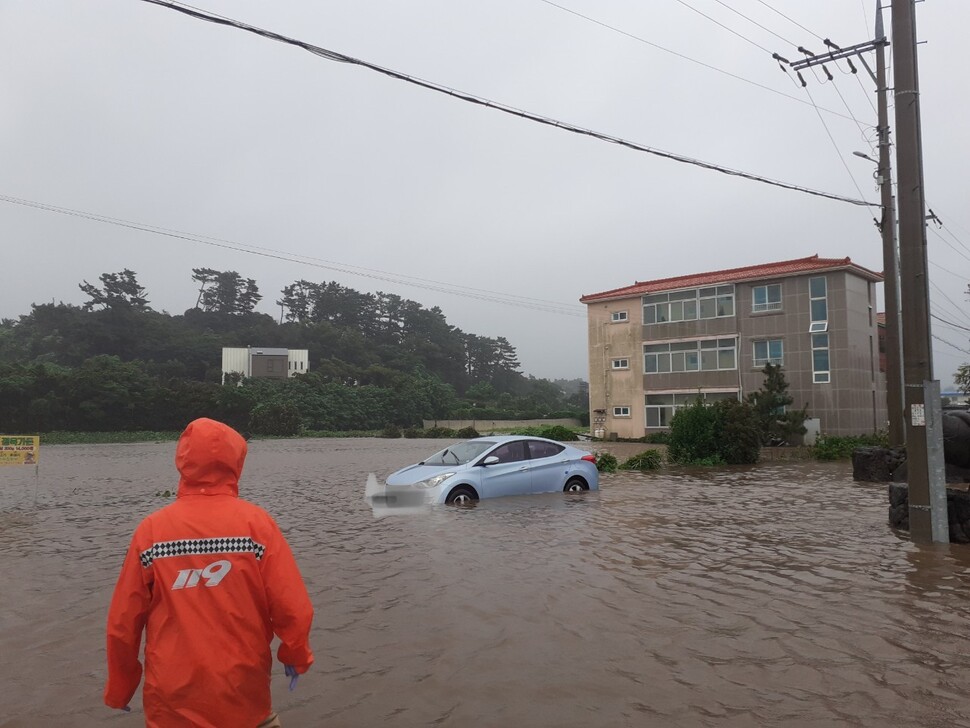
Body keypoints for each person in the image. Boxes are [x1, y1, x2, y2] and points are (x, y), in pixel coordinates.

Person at [103, 417, 314, 727]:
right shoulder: (257, 526)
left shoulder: (151, 531)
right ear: (236, 460)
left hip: (171, 700)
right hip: (242, 694)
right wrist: (296, 656)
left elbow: (123, 624)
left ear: (183, 461)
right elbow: (292, 608)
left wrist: (120, 689)